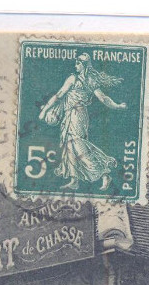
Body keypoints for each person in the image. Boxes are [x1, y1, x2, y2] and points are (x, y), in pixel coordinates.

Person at [38, 53, 127, 191]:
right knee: (69, 146)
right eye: (76, 62)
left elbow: (103, 98)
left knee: (77, 144)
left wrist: (117, 106)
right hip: (69, 115)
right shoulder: (75, 78)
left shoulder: (85, 80)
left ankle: (104, 173)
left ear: (84, 65)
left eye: (78, 63)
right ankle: (74, 180)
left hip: (77, 115)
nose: (75, 65)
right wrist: (45, 111)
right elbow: (59, 94)